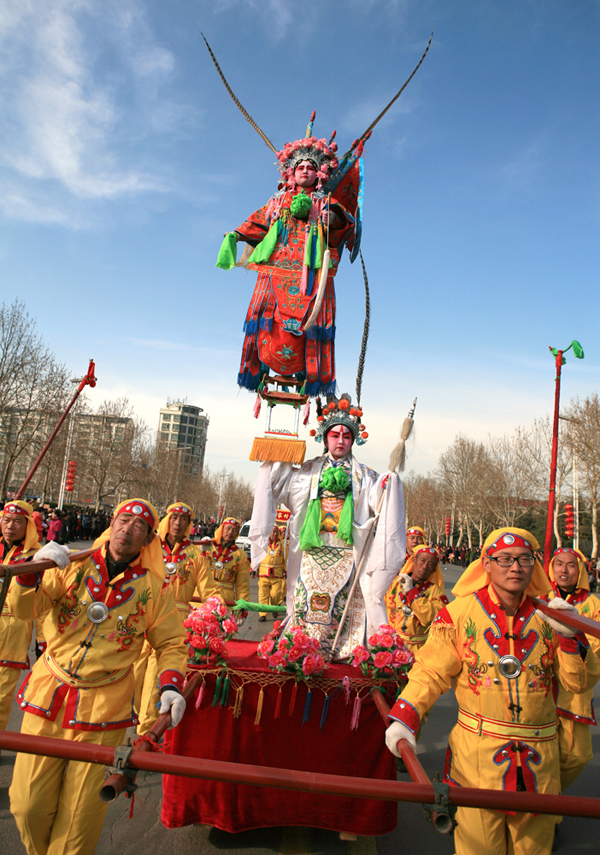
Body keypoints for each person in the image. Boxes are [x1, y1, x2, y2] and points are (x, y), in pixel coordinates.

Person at [385, 527, 600, 855]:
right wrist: (406, 716)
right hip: (477, 761)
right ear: (486, 563)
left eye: (524, 559)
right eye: (504, 559)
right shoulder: (458, 613)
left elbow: (579, 683)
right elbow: (431, 671)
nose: (515, 567)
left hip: (540, 764)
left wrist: (571, 638)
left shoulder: (552, 616)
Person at [8, 498, 188, 855]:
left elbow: (171, 642)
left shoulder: (156, 588)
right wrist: (31, 571)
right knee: (27, 806)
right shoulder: (70, 565)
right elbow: (24, 609)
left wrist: (170, 684)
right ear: (112, 524)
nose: (128, 529)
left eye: (139, 526)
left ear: (149, 538)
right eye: (124, 520)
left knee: (79, 819)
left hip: (104, 709)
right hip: (48, 696)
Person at [250, 393, 405, 661]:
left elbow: (376, 502)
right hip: (311, 551)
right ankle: (302, 646)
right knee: (306, 601)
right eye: (335, 435)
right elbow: (281, 488)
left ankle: (342, 647)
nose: (341, 441)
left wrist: (387, 485)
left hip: (346, 554)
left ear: (354, 440)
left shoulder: (365, 476)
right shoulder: (307, 471)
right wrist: (278, 458)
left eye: (346, 436)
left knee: (340, 602)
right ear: (325, 438)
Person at [219, 128, 361, 397]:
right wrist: (236, 234)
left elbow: (346, 224)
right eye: (300, 167)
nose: (305, 171)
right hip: (276, 268)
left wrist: (332, 219)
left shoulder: (326, 201)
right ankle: (258, 372)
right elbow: (259, 221)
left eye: (310, 167)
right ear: (291, 173)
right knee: (266, 319)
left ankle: (311, 379)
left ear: (319, 173)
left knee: (313, 325)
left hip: (313, 273)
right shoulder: (278, 200)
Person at [135, 501, 221, 733]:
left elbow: (210, 591)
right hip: (140, 617)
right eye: (174, 517)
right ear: (167, 520)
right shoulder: (149, 548)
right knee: (132, 676)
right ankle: (133, 720)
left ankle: (146, 734)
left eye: (184, 519)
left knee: (155, 679)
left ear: (189, 525)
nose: (178, 523)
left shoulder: (196, 555)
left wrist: (215, 613)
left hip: (173, 624)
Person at [541, 546, 600, 791]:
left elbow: (594, 648)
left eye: (571, 565)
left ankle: (550, 795)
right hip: (540, 687)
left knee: (578, 755)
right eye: (559, 564)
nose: (564, 570)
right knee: (539, 755)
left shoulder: (593, 605)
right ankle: (543, 802)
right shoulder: (538, 597)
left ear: (581, 570)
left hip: (574, 693)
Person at [0, 502, 42, 742]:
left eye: (17, 521)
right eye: (6, 520)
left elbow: (44, 601)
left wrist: (43, 641)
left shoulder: (37, 556)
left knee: (1, 698)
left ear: (28, 526)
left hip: (12, 636)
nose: (10, 526)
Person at [384, 544, 448, 655]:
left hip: (418, 650)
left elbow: (429, 618)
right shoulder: (394, 583)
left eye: (430, 564)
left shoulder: (436, 592)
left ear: (434, 570)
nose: (424, 567)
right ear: (414, 560)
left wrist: (412, 591)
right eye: (422, 561)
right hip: (390, 645)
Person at [201, 517, 250, 607]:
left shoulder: (241, 556)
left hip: (225, 600)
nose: (230, 532)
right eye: (228, 528)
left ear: (237, 533)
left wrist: (242, 606)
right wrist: (202, 551)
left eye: (234, 530)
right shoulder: (207, 546)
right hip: (203, 594)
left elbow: (243, 585)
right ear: (222, 529)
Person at [257, 525, 287, 621]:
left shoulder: (282, 544)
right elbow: (256, 556)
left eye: (276, 532)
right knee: (263, 595)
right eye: (272, 531)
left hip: (277, 574)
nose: (274, 534)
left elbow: (285, 558)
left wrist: (286, 570)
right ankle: (263, 614)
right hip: (263, 573)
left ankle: (274, 608)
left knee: (275, 594)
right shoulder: (263, 543)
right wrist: (253, 568)